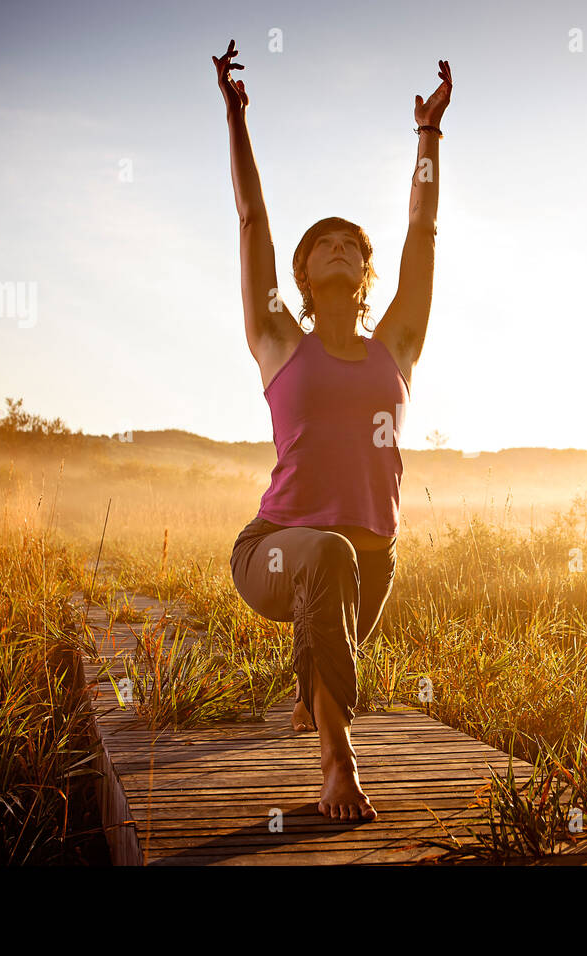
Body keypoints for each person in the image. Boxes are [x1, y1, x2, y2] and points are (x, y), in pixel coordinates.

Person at [214, 39, 451, 822]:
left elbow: (422, 234)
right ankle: (337, 764)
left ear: (364, 272)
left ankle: (305, 687)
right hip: (274, 550)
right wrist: (235, 118)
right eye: (325, 245)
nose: (342, 247)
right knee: (327, 555)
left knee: (345, 572)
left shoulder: (397, 349)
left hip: (370, 562)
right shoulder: (281, 342)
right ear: (306, 275)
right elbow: (251, 219)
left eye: (354, 243)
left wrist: (428, 138)